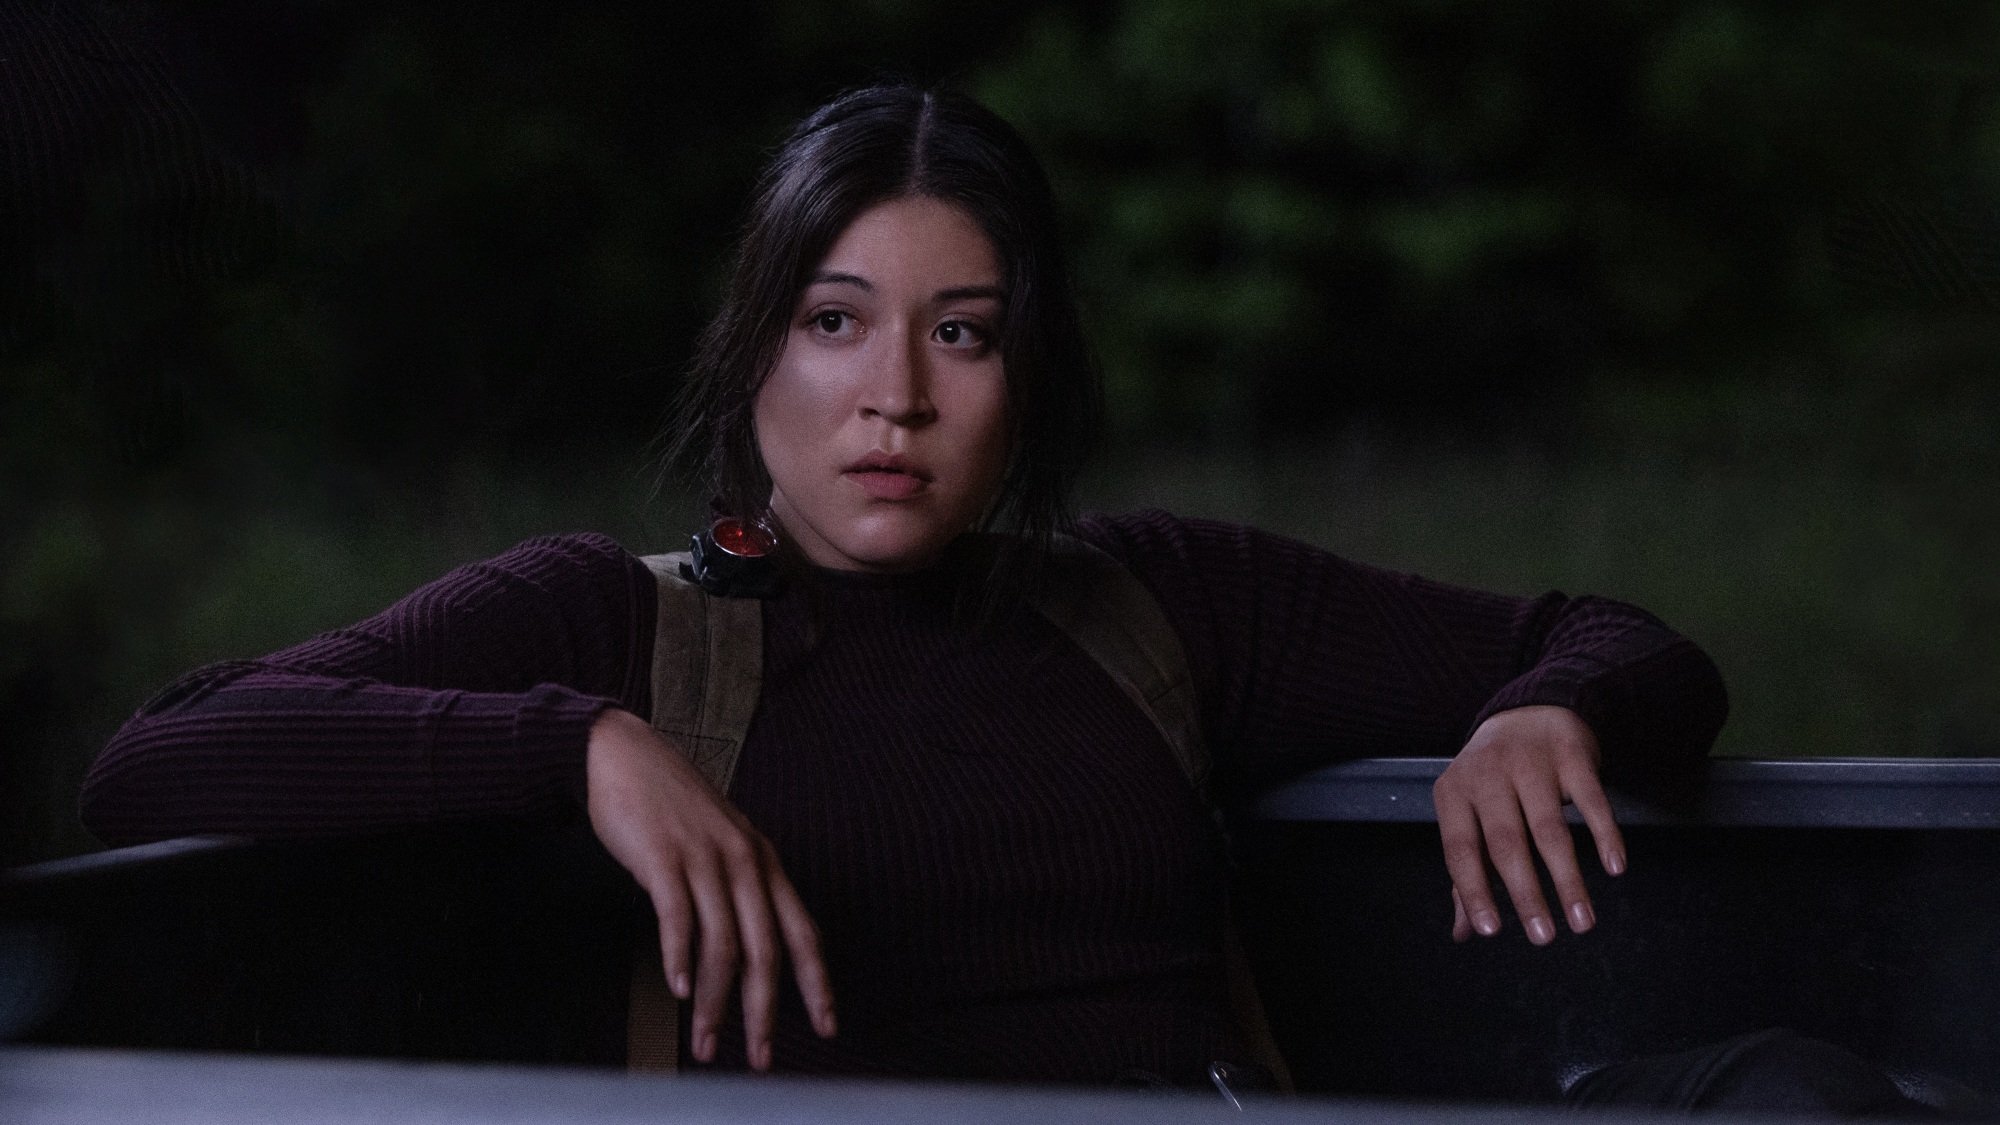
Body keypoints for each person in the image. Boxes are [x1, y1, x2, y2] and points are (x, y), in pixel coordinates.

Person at [80, 83, 1729, 1089]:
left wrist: (1539, 706)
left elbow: (1629, 644)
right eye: (835, 320)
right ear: (755, 356)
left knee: (1788, 1089)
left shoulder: (1159, 599)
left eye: (963, 333)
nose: (899, 399)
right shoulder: (619, 623)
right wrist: (581, 743)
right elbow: (161, 753)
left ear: (1028, 374)